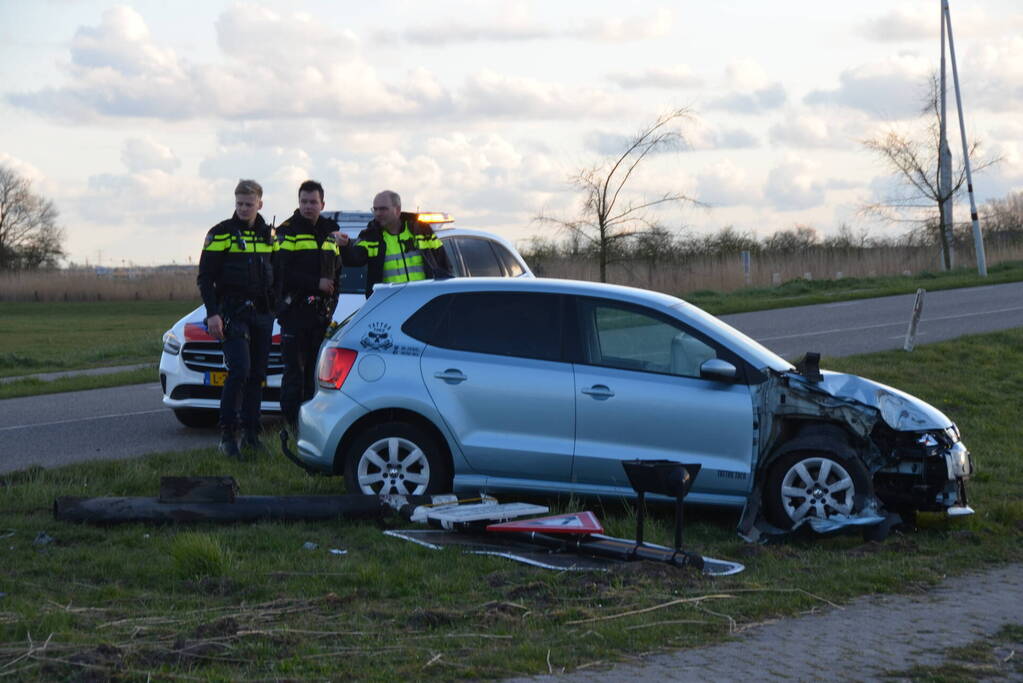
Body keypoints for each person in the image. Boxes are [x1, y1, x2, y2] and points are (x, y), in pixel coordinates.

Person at [196, 179, 275, 459]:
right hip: (231, 311)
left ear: (259, 204)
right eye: (239, 203)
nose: (243, 208)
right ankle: (228, 436)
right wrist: (212, 314)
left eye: (249, 204)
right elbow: (205, 277)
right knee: (239, 370)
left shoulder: (269, 234)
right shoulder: (221, 233)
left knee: (257, 376)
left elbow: (274, 271)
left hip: (262, 313)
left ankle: (252, 435)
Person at [275, 180, 343, 429]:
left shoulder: (330, 230)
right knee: (294, 375)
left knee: (315, 375)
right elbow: (281, 273)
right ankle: (292, 428)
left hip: (321, 315)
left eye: (313, 202)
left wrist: (331, 304)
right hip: (294, 313)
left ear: (322, 204)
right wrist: (317, 284)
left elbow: (337, 274)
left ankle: (312, 426)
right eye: (304, 201)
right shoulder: (287, 230)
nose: (308, 206)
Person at [340, 190, 450, 297]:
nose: (378, 213)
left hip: (422, 302)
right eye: (375, 209)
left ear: (397, 210)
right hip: (390, 305)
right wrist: (345, 244)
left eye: (383, 209)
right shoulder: (371, 236)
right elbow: (353, 260)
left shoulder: (421, 231)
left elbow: (444, 266)